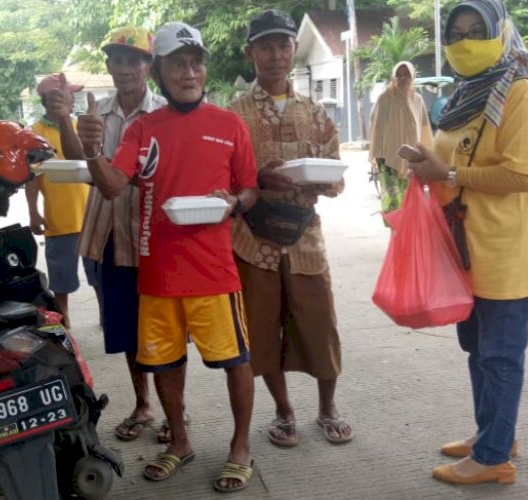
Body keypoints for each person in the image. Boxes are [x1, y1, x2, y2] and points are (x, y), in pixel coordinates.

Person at [76, 22, 259, 492]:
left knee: (236, 361)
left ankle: (240, 446)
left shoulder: (229, 125)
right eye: (178, 64)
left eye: (196, 62)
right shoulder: (143, 129)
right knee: (164, 365)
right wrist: (93, 148)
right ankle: (179, 441)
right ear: (158, 71)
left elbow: (250, 189)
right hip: (156, 273)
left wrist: (233, 203)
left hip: (215, 272)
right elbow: (113, 186)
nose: (189, 72)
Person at [406, 0, 528, 485]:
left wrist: (445, 171)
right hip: (462, 250)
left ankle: (492, 460)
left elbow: (523, 174)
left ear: (501, 32)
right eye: (457, 32)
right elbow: (454, 161)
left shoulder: (521, 95)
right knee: (477, 349)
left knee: (500, 355)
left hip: (501, 252)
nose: (465, 41)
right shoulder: (468, 94)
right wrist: (428, 163)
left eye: (476, 30)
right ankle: (494, 434)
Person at [228, 9, 354, 449]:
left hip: (306, 238)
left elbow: (337, 179)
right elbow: (223, 182)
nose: (276, 55)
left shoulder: (316, 113)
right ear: (251, 53)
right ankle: (283, 411)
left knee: (320, 323)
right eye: (265, 46)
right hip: (251, 240)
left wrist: (321, 180)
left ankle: (328, 408)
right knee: (261, 329)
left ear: (292, 50)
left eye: (283, 45)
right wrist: (259, 179)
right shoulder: (234, 117)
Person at [68, 27, 177, 443]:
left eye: (135, 60)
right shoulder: (97, 112)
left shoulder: (166, 114)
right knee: (127, 329)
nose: (126, 69)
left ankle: (174, 412)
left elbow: (171, 176)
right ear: (109, 66)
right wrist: (70, 125)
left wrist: (121, 173)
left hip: (156, 239)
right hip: (109, 236)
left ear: (151, 66)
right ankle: (144, 404)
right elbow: (80, 161)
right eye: (117, 60)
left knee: (164, 328)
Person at [25, 73, 101, 329]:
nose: (73, 96)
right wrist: (33, 213)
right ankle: (64, 324)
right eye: (69, 92)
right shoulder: (36, 133)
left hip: (92, 216)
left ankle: (107, 318)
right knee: (61, 279)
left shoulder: (81, 125)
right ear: (52, 98)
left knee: (99, 276)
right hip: (60, 218)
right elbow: (33, 178)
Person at [369, 61, 434, 216]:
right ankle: (395, 232)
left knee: (409, 202)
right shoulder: (385, 99)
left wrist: (425, 152)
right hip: (387, 158)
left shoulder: (417, 100)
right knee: (391, 203)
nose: (402, 78)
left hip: (411, 159)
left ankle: (405, 233)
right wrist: (376, 154)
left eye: (406, 75)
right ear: (393, 77)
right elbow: (376, 127)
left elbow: (424, 126)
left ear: (412, 78)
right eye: (399, 75)